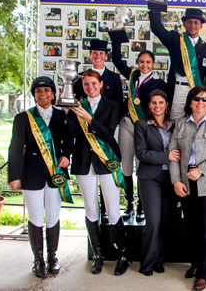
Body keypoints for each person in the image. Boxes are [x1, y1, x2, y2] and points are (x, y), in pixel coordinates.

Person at [8, 76, 73, 278]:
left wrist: (66, 157)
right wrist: (15, 176)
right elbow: (16, 148)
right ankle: (38, 260)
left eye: (46, 90)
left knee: (53, 216)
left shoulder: (63, 115)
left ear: (54, 94)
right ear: (34, 94)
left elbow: (69, 142)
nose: (43, 94)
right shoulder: (23, 117)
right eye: (38, 91)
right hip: (31, 173)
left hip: (55, 174)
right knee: (36, 217)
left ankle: (53, 257)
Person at [65, 70, 128, 276]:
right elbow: (72, 135)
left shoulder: (112, 105)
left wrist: (89, 120)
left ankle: (122, 255)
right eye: (86, 84)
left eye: (93, 83)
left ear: (101, 84)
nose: (90, 87)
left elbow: (108, 134)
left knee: (112, 209)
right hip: (84, 162)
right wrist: (69, 118)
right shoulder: (77, 106)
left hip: (106, 160)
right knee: (91, 209)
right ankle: (98, 255)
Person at [168, 86, 206, 291]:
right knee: (192, 228)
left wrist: (200, 170)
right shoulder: (180, 124)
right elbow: (173, 155)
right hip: (185, 182)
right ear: (190, 102)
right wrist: (176, 181)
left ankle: (204, 273)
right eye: (197, 99)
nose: (200, 103)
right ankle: (195, 263)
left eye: (205, 99)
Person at [111, 36, 166, 222]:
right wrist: (116, 36)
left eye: (148, 62)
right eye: (141, 61)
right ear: (138, 62)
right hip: (127, 124)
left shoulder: (159, 83)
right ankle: (129, 203)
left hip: (145, 128)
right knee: (125, 165)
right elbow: (117, 61)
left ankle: (142, 205)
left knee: (142, 166)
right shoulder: (132, 75)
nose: (144, 65)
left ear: (153, 64)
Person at [134, 90, 175, 276]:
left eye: (160, 102)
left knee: (165, 222)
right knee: (153, 222)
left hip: (171, 179)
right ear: (149, 105)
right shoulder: (141, 125)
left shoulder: (175, 125)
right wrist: (166, 156)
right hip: (150, 178)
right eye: (153, 103)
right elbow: (141, 153)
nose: (157, 106)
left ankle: (159, 261)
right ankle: (147, 264)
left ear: (166, 104)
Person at [149, 7, 206, 119]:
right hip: (178, 90)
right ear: (184, 23)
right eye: (189, 22)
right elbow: (156, 28)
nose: (192, 25)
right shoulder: (175, 39)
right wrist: (156, 7)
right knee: (175, 123)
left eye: (196, 22)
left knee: (196, 124)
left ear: (201, 25)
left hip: (197, 92)